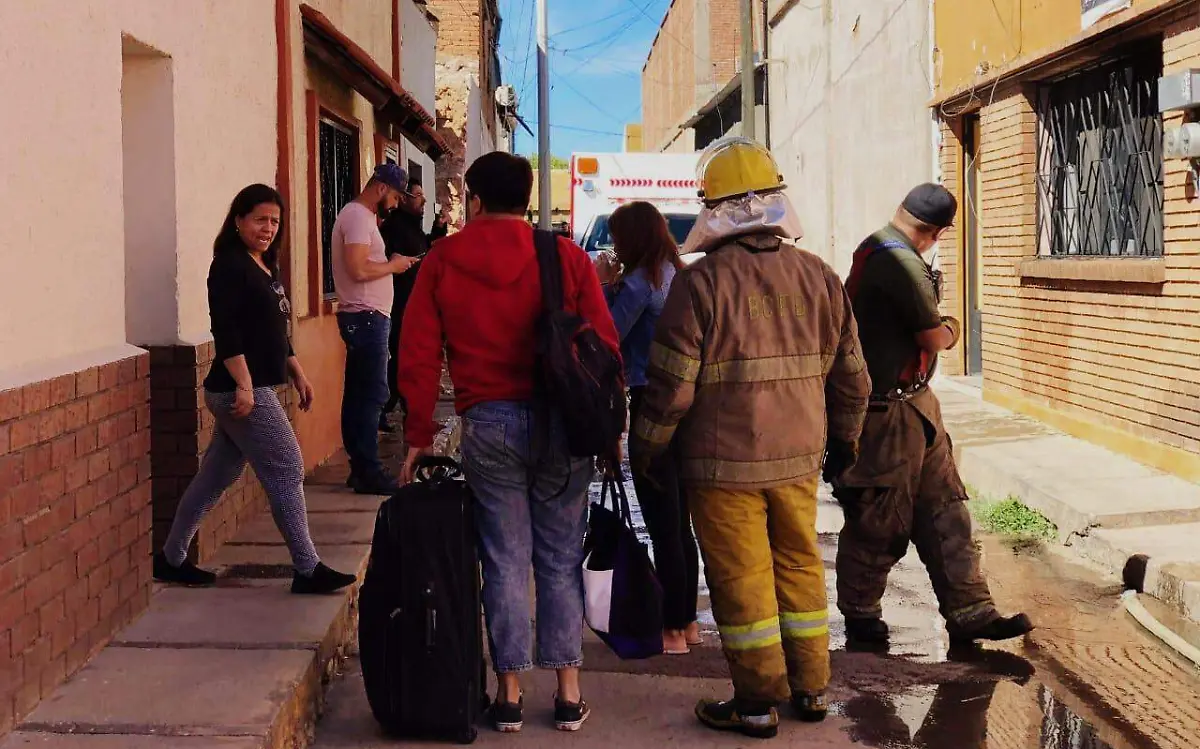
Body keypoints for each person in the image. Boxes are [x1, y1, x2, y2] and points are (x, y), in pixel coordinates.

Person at [627, 137, 871, 739]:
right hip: (797, 459)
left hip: (720, 466)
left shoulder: (701, 285)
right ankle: (812, 690)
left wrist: (648, 449)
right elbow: (853, 378)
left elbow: (671, 388)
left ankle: (757, 702)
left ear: (715, 209)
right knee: (799, 565)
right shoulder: (818, 275)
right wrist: (845, 443)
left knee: (743, 579)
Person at [396, 152, 619, 734]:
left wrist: (419, 433)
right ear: (527, 198)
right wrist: (610, 430)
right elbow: (605, 349)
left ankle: (509, 692)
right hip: (562, 425)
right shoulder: (566, 256)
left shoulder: (443, 258)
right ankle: (568, 692)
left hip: (488, 423)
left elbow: (418, 354)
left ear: (474, 200)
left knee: (503, 557)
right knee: (559, 556)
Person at [834, 182, 1033, 646]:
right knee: (878, 518)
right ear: (936, 232)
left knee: (946, 511)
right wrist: (953, 328)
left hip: (915, 406)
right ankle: (861, 617)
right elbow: (932, 338)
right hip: (886, 415)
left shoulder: (878, 246)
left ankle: (971, 610)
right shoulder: (900, 262)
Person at [153, 184, 357, 596]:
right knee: (286, 466)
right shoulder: (228, 265)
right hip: (239, 391)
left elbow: (273, 331)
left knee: (215, 478)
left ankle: (171, 559)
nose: (268, 228)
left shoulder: (265, 265)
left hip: (251, 386)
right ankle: (307, 567)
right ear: (239, 220)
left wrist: (296, 368)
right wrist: (245, 384)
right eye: (260, 219)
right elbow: (226, 332)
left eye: (275, 221)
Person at [596, 201, 701, 656]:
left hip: (650, 404)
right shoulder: (677, 275)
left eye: (619, 237)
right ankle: (689, 621)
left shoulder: (641, 283)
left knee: (662, 520)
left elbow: (607, 336)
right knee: (680, 522)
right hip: (687, 405)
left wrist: (601, 287)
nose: (615, 246)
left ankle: (673, 629)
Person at [330, 163, 418, 494]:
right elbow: (356, 268)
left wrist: (393, 262)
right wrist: (394, 265)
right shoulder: (357, 217)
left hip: (368, 317)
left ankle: (360, 466)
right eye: (395, 196)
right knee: (371, 395)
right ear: (381, 189)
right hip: (366, 318)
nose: (395, 203)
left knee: (360, 394)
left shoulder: (364, 218)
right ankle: (368, 470)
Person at [378, 179, 449, 432]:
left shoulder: (412, 226)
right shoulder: (393, 228)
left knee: (406, 358)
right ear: (405, 198)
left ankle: (401, 412)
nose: (424, 200)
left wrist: (438, 231)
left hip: (413, 302)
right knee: (401, 359)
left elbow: (422, 250)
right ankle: (385, 409)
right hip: (398, 303)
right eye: (418, 195)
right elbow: (391, 261)